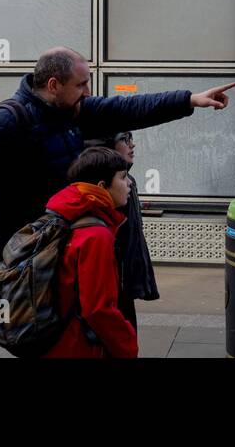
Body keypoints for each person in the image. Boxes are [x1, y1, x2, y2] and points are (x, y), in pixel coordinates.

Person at [0, 46, 235, 287]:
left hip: (59, 245)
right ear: (53, 85)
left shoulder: (73, 111)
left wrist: (190, 100)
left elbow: (129, 108)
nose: (88, 91)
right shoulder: (7, 123)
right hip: (25, 252)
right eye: (81, 84)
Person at [42, 147, 138, 358]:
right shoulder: (95, 236)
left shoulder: (63, 215)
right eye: (123, 177)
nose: (129, 183)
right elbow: (98, 309)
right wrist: (128, 345)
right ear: (102, 186)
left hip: (52, 340)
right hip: (76, 345)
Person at [83, 130, 154, 328]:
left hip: (122, 285)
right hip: (113, 287)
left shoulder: (126, 183)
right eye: (124, 139)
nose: (132, 145)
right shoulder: (112, 190)